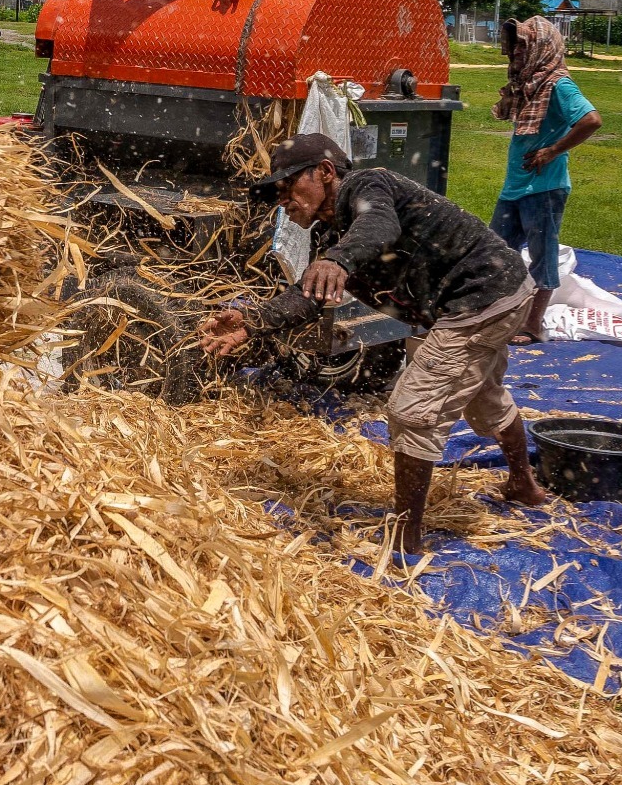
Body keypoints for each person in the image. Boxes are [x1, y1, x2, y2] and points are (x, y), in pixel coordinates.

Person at [196, 133, 552, 555]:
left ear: (325, 172)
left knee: (412, 411)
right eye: (278, 193)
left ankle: (406, 540)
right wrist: (252, 322)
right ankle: (523, 484)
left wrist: (338, 260)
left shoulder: (367, 185)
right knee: (481, 394)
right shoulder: (331, 236)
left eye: (289, 186)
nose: (283, 201)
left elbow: (379, 226)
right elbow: (311, 296)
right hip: (461, 304)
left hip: (482, 295)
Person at [491, 17, 602, 344]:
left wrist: (553, 151)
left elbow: (591, 120)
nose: (515, 52)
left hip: (544, 187)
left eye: (522, 46)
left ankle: (533, 324)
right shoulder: (529, 85)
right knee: (495, 251)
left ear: (541, 48)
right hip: (516, 185)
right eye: (514, 46)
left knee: (543, 256)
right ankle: (501, 314)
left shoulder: (558, 85)